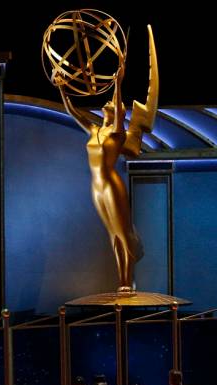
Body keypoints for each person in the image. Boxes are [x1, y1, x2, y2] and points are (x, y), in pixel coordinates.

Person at [55, 26, 158, 293]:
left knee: (123, 233)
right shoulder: (94, 130)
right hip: (96, 186)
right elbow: (72, 112)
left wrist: (118, 81)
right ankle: (122, 280)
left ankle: (127, 280)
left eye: (111, 105)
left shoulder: (118, 133)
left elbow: (119, 105)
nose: (107, 105)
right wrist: (62, 89)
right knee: (111, 234)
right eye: (109, 104)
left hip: (112, 184)